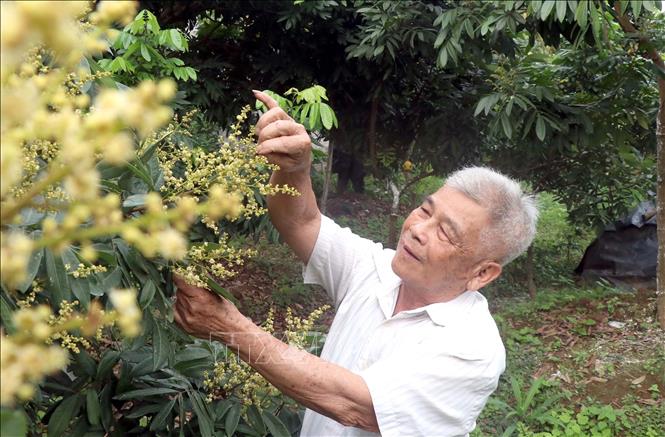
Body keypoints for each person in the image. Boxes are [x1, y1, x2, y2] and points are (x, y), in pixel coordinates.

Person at [173, 90, 539, 436]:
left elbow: (354, 404)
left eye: (446, 232)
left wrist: (230, 328)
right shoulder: (377, 270)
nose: (417, 230)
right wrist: (295, 170)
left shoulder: (471, 348)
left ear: (482, 273)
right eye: (425, 210)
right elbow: (302, 222)